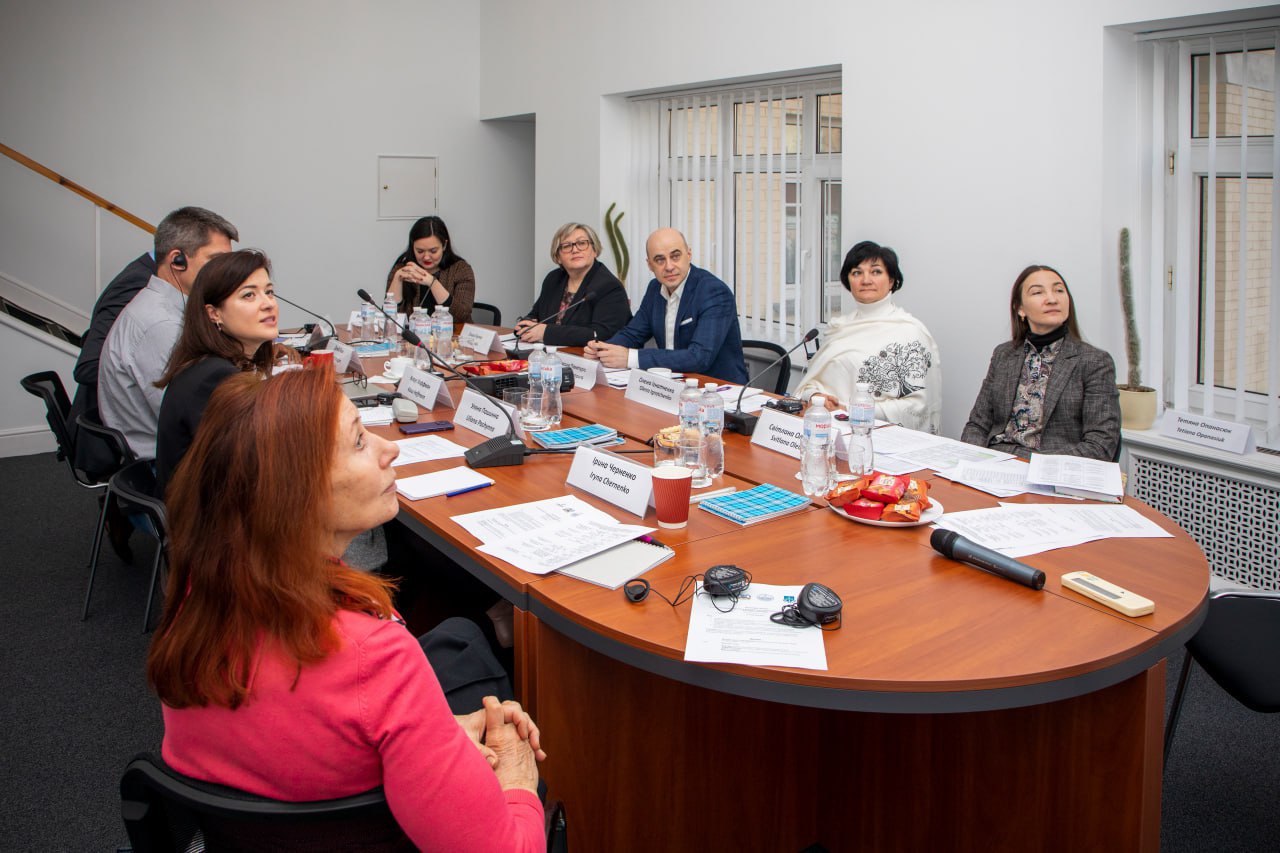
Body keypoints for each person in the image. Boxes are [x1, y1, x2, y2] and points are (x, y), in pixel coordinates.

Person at [147, 367, 545, 850]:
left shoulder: (197, 600)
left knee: (458, 638)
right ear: (296, 493)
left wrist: (438, 734)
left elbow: (307, 733)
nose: (388, 448)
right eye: (359, 441)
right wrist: (518, 774)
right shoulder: (372, 656)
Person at [97, 207, 238, 457]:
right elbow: (196, 419)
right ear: (177, 260)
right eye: (216, 261)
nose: (226, 273)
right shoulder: (162, 325)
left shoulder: (169, 308)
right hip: (168, 463)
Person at [153, 249, 282, 495]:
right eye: (249, 295)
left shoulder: (212, 365)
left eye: (269, 292)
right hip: (206, 513)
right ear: (214, 314)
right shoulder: (214, 378)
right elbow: (245, 471)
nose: (268, 304)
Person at [961, 264, 1121, 460]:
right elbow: (977, 425)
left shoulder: (1094, 361)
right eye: (1038, 292)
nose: (1052, 299)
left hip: (1052, 467)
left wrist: (1038, 467)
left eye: (1059, 290)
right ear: (1020, 308)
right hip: (995, 461)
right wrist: (972, 461)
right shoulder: (1004, 355)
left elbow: (1101, 444)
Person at [795, 240, 942, 433]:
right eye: (857, 273)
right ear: (848, 281)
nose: (866, 280)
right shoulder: (840, 328)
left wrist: (851, 410)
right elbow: (813, 383)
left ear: (891, 280)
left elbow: (918, 407)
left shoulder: (910, 332)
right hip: (827, 431)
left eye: (876, 272)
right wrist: (816, 396)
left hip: (881, 437)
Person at [584, 227, 747, 383]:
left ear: (689, 255)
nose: (669, 267)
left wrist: (630, 358)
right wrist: (603, 349)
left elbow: (699, 357)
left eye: (675, 256)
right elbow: (633, 334)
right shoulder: (655, 288)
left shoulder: (713, 291)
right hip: (671, 384)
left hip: (719, 389)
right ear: (650, 264)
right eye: (660, 260)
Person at [512, 222, 632, 346]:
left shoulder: (609, 286)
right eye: (566, 246)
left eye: (582, 243)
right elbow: (536, 315)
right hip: (550, 353)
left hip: (586, 355)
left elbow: (602, 334)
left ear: (595, 250)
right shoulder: (553, 279)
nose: (575, 250)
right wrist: (525, 325)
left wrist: (545, 333)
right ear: (558, 257)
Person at [385, 215, 475, 323]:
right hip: (412, 333)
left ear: (444, 245)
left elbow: (462, 315)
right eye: (420, 251)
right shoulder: (402, 269)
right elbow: (389, 318)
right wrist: (397, 279)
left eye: (433, 251)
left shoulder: (461, 270)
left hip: (452, 333)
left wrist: (432, 282)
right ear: (412, 247)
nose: (426, 257)